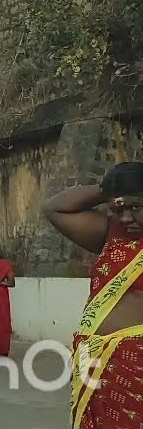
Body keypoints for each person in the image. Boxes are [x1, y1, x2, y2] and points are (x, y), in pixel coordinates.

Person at [43, 161, 143, 428]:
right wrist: (109, 188)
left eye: (136, 207)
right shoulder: (113, 234)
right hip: (96, 361)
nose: (126, 218)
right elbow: (54, 209)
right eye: (117, 209)